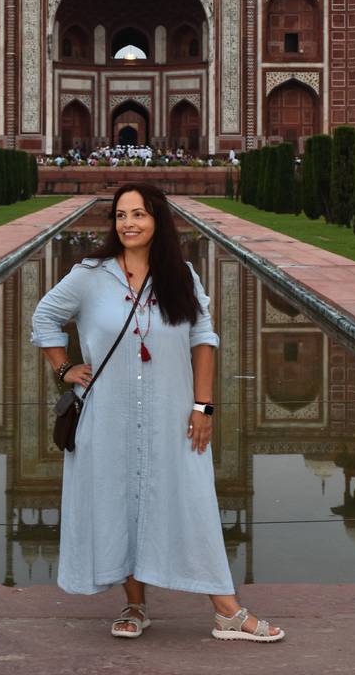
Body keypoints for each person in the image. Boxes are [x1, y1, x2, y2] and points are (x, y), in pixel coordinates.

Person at [31, 182, 284, 644]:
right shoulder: (89, 275)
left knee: (194, 500)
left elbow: (203, 340)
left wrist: (202, 406)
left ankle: (226, 610)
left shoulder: (181, 276)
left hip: (173, 414)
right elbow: (44, 318)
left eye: (139, 214)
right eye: (121, 215)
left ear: (158, 221)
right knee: (119, 503)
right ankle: (134, 605)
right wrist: (64, 367)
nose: (128, 223)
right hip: (106, 416)